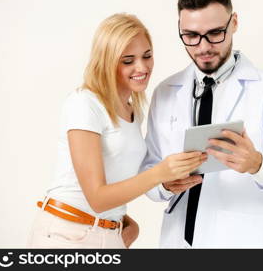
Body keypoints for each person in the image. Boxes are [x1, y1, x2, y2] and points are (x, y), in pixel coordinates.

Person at [140, 0, 263, 248]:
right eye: (191, 35)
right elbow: (148, 174)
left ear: (234, 23)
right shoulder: (165, 92)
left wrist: (257, 164)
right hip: (176, 242)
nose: (203, 47)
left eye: (215, 32)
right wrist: (164, 183)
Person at [27, 13, 206, 248]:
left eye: (147, 56)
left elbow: (115, 181)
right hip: (65, 236)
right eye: (128, 60)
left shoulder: (133, 110)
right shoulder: (85, 104)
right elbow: (97, 198)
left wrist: (124, 223)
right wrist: (160, 173)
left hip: (104, 235)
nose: (141, 67)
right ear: (107, 61)